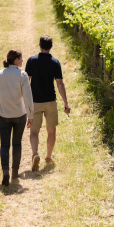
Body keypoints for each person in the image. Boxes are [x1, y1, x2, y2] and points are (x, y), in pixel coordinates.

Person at [25, 34, 70, 172]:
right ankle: (48, 157)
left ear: (39, 45)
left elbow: (26, 81)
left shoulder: (31, 61)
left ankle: (34, 154)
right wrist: (66, 103)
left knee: (34, 131)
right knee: (51, 131)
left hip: (35, 102)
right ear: (51, 46)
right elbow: (60, 84)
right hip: (50, 101)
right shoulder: (55, 62)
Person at [0, 49, 34, 186]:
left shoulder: (0, 74)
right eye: (21, 58)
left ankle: (5, 171)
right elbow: (28, 97)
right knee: (16, 143)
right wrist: (30, 114)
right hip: (20, 114)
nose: (22, 61)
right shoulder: (22, 75)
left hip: (4, 114)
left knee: (4, 144)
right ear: (16, 60)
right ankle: (15, 171)